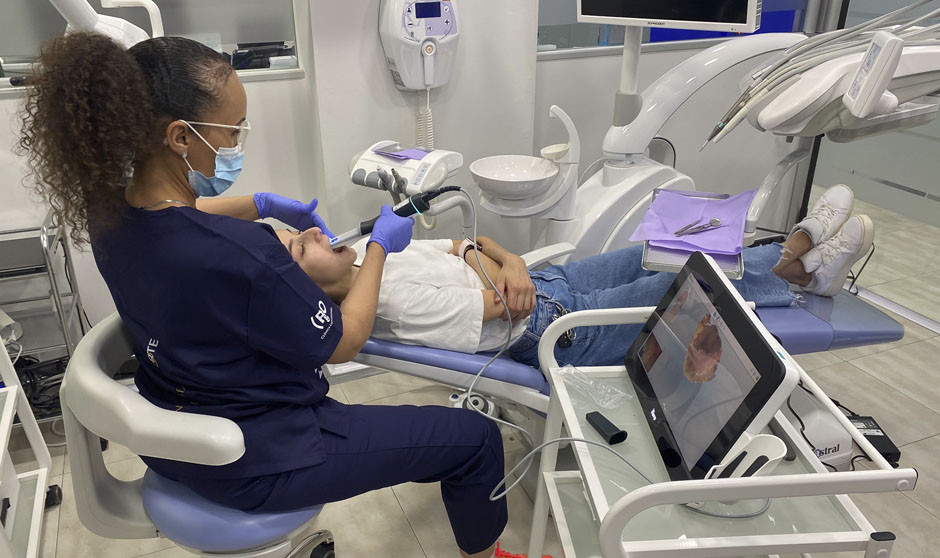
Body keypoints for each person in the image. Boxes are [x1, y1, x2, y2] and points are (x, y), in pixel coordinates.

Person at [19, 32, 507, 558]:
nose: (237, 142)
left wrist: (262, 203)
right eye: (232, 130)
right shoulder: (245, 255)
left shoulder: (110, 216)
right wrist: (379, 248)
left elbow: (180, 217)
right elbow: (344, 341)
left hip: (176, 437)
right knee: (475, 439)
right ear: (180, 136)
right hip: (261, 456)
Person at [277, 184, 873, 369]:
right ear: (308, 287)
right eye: (303, 248)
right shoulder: (388, 298)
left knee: (659, 251)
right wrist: (495, 269)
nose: (315, 234)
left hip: (549, 283)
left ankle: (798, 265)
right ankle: (798, 256)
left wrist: (509, 261)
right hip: (559, 329)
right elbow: (502, 306)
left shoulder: (381, 258)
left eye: (301, 231)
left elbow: (467, 245)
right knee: (690, 278)